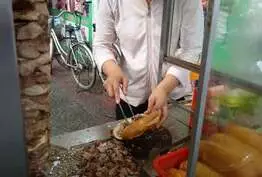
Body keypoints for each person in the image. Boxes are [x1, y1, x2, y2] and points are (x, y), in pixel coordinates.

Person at [94, 0, 204, 121]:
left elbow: (191, 50)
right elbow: (102, 44)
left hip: (171, 97)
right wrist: (112, 69)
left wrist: (164, 88)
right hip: (130, 97)